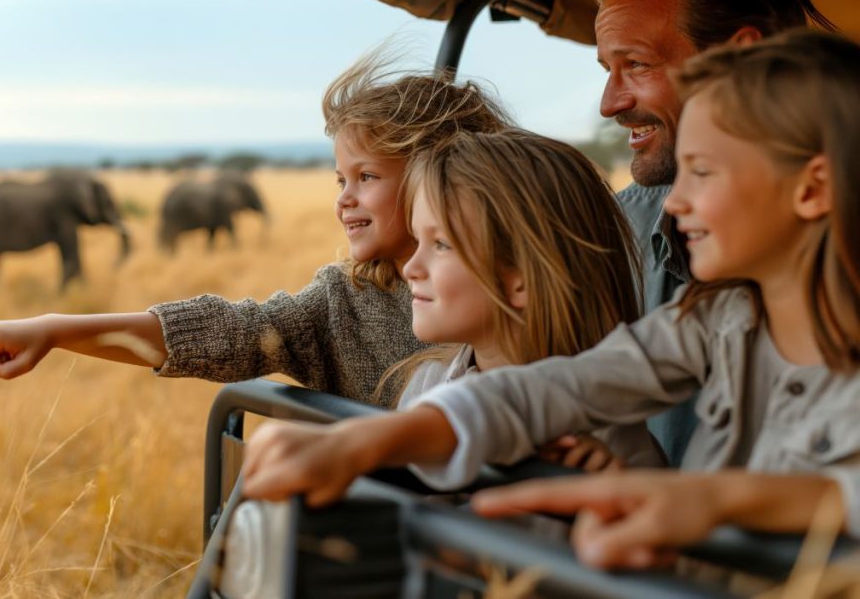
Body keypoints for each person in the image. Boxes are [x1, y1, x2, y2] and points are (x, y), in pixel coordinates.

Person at [239, 32, 860, 563]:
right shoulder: (713, 321)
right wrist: (368, 439)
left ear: (811, 190)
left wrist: (712, 499)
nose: (673, 202)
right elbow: (560, 386)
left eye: (702, 171)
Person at [0, 52, 510, 405]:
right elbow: (230, 331)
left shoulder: (522, 292)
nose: (345, 200)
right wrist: (57, 328)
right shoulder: (341, 301)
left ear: (444, 176)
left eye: (367, 177)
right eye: (340, 180)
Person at [592, 0, 835, 465]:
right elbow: (570, 384)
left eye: (636, 64)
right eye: (607, 69)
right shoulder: (614, 233)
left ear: (740, 60)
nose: (608, 104)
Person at [383, 128, 658, 469]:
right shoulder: (427, 385)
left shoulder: (612, 450)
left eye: (441, 244)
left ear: (523, 279)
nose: (411, 267)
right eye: (416, 240)